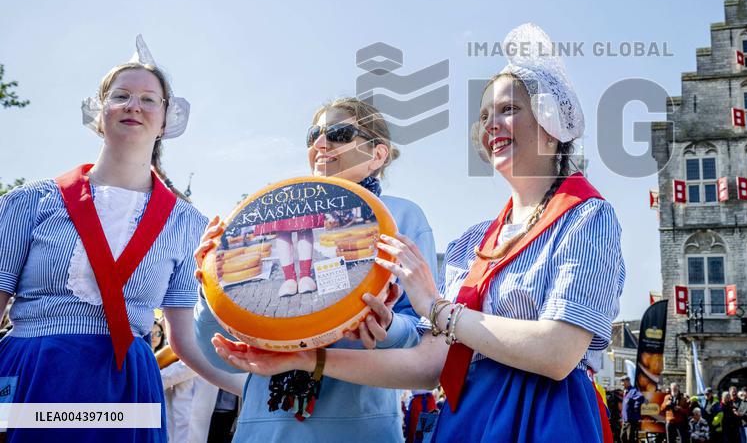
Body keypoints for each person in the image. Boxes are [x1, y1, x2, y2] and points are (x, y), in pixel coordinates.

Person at [211, 23, 626, 442]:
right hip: (470, 416)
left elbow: (556, 353)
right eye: (484, 115)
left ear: (552, 121)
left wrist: (436, 309)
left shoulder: (586, 217)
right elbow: (429, 368)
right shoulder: (473, 242)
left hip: (544, 416)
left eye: (508, 110)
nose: (491, 125)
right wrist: (303, 358)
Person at [0, 36, 238, 443]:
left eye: (149, 99)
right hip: (34, 371)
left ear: (166, 119)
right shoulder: (27, 203)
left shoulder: (187, 223)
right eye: (121, 95)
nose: (134, 105)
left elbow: (184, 341)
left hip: (127, 384)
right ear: (99, 112)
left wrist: (248, 385)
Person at [192, 96, 437, 441]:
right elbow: (216, 353)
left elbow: (425, 340)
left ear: (377, 155)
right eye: (313, 135)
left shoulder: (401, 217)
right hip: (263, 429)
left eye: (338, 133)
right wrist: (211, 289)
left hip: (357, 429)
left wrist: (388, 327)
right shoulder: (266, 219)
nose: (321, 144)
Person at [158, 317, 218, 443]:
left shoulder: (201, 340)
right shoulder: (183, 338)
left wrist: (149, 379)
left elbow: (184, 369)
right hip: (179, 406)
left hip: (190, 409)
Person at [622, 376, 645, 443]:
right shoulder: (626, 391)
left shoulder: (633, 391)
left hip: (631, 420)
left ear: (628, 382)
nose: (622, 383)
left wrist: (635, 408)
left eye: (623, 381)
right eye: (621, 381)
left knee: (630, 438)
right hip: (625, 420)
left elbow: (641, 397)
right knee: (623, 437)